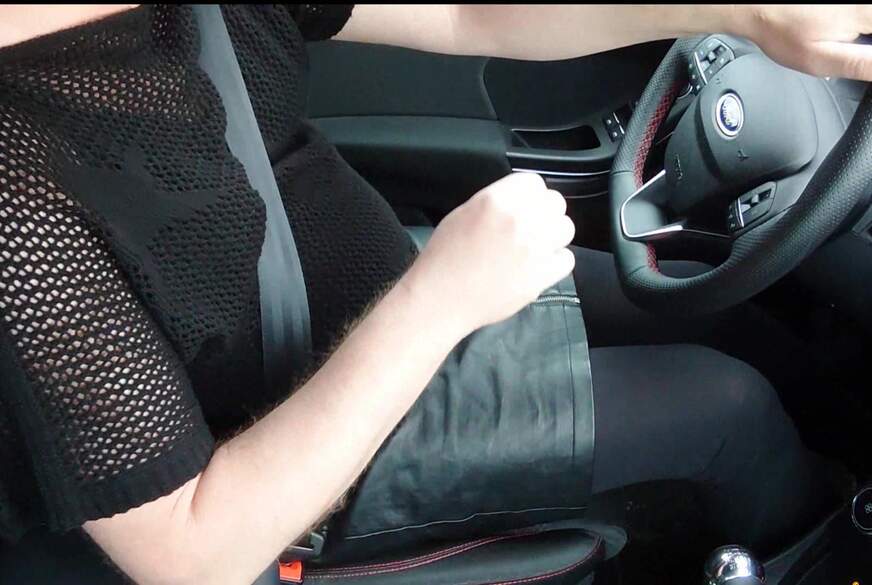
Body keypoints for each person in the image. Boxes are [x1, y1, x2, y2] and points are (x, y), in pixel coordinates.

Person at [0, 5, 869, 584]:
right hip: (311, 451)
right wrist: (442, 298)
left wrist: (736, 11)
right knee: (729, 407)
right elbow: (193, 551)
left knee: (714, 301)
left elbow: (467, 11)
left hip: (403, 300)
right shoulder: (19, 198)